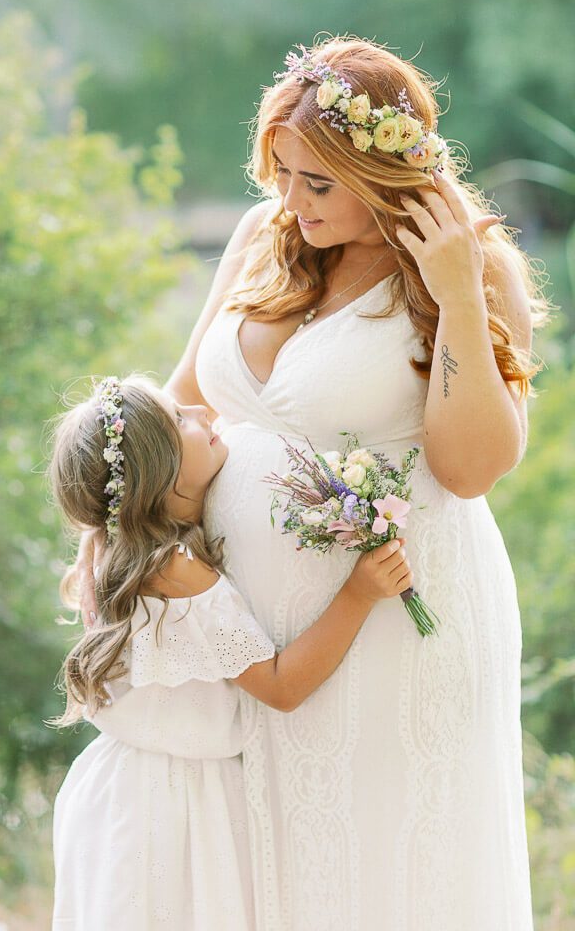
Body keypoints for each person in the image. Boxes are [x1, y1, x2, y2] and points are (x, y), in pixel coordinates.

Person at [76, 36, 552, 930]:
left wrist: (454, 298)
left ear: (378, 167)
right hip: (252, 633)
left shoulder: (470, 264)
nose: (290, 202)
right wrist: (113, 533)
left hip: (400, 624)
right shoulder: (267, 236)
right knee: (269, 868)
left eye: (316, 183)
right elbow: (189, 404)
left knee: (392, 865)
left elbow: (471, 467)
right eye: (281, 174)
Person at [47, 374, 412, 930]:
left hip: (112, 791)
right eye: (179, 419)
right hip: (177, 810)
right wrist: (358, 593)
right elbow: (281, 686)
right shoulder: (174, 570)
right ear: (158, 472)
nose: (201, 408)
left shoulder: (105, 547)